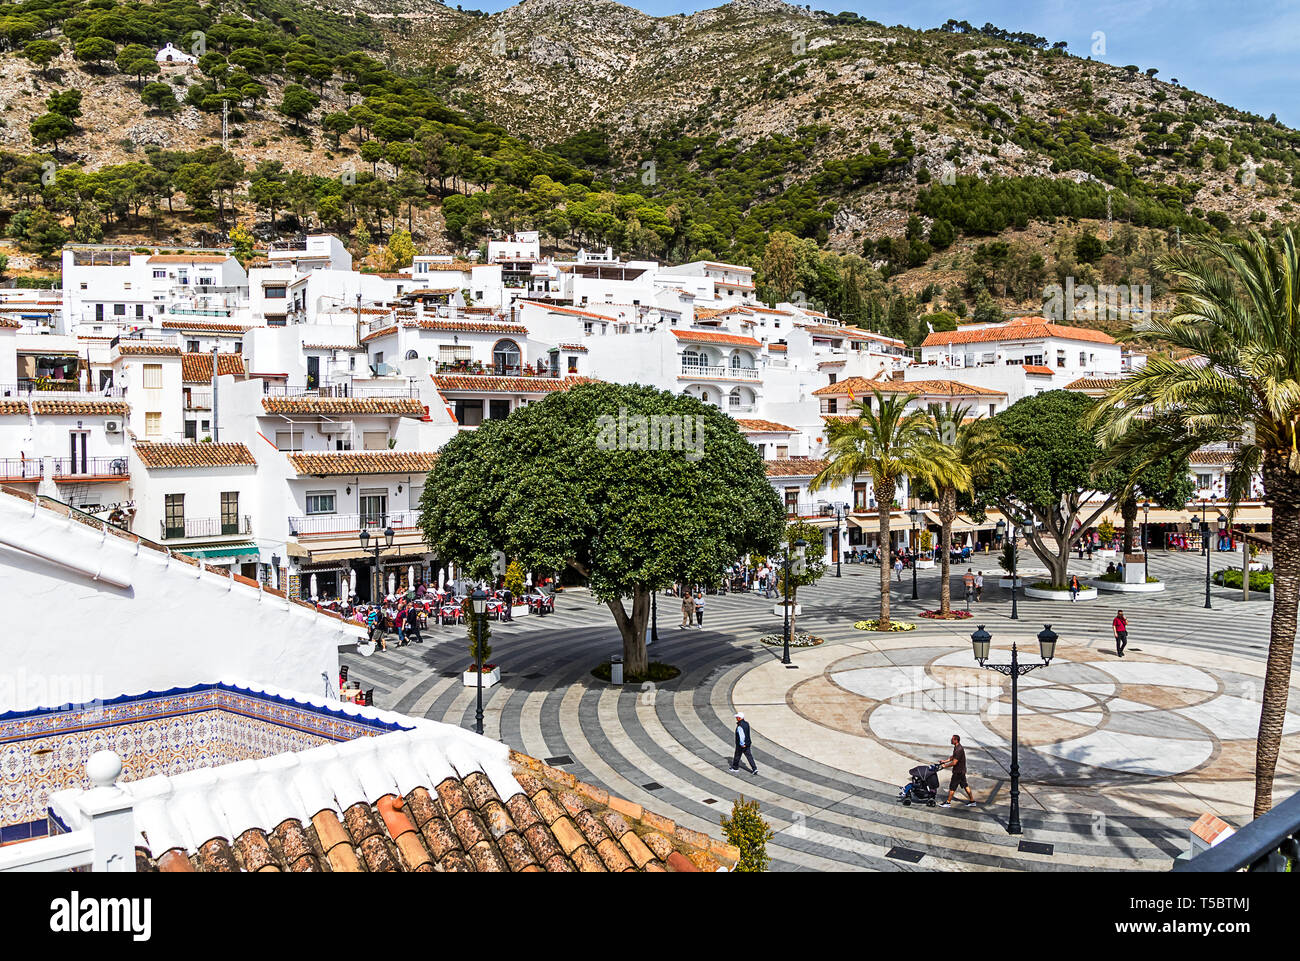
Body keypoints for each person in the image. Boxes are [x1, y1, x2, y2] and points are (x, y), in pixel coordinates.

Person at [939, 734, 976, 807]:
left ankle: (948, 802)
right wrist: (944, 761)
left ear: (956, 740)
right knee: (965, 785)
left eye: (952, 739)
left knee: (952, 787)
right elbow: (952, 757)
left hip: (958, 772)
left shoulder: (959, 749)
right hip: (961, 771)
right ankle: (972, 801)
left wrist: (945, 766)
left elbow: (954, 762)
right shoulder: (957, 747)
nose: (951, 740)